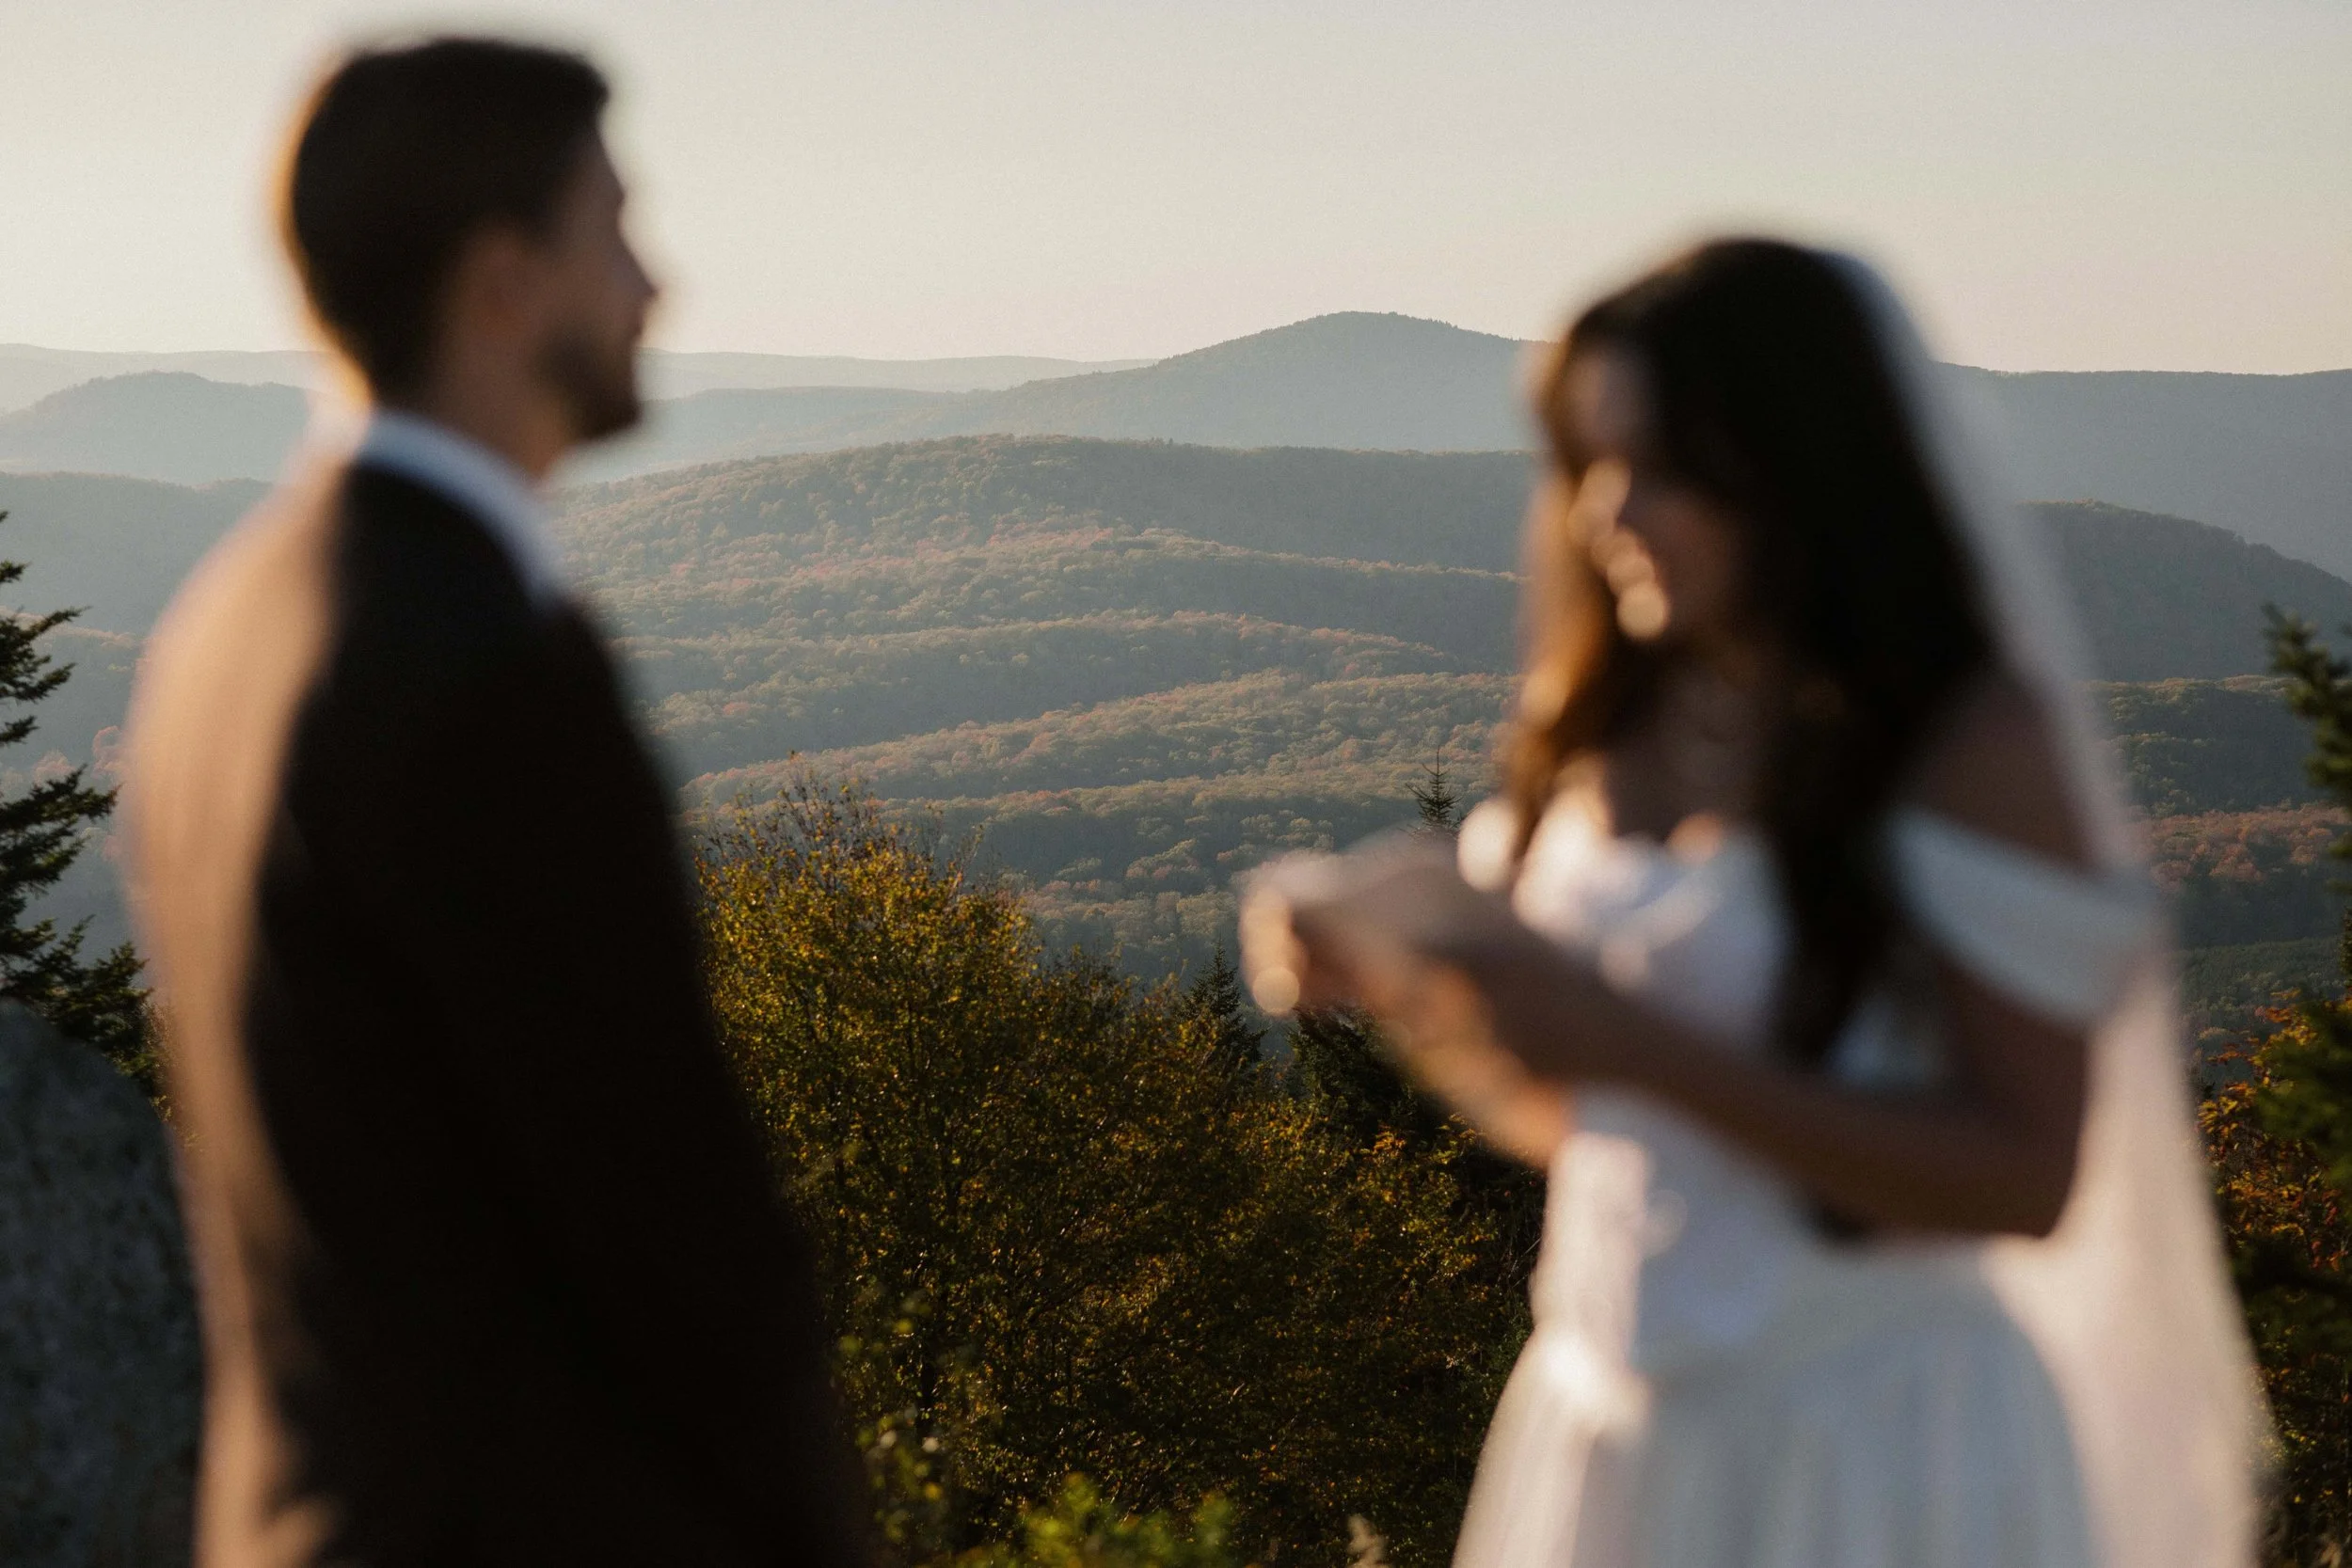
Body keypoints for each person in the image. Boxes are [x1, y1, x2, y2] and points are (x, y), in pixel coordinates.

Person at [1243, 240, 2258, 1568]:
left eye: (1666, 467)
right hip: (1614, 1421)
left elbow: (2026, 1173)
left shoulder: (1965, 751)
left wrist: (1625, 1040)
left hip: (1876, 1447)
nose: (1611, 512)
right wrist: (1416, 978)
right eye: (1586, 465)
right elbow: (1582, 1121)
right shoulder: (1604, 737)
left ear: (1799, 469)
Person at [122, 39, 860, 1568]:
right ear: (504, 281)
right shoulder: (472, 666)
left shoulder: (225, 627)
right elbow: (669, 1230)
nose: (657, 287)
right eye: (616, 230)